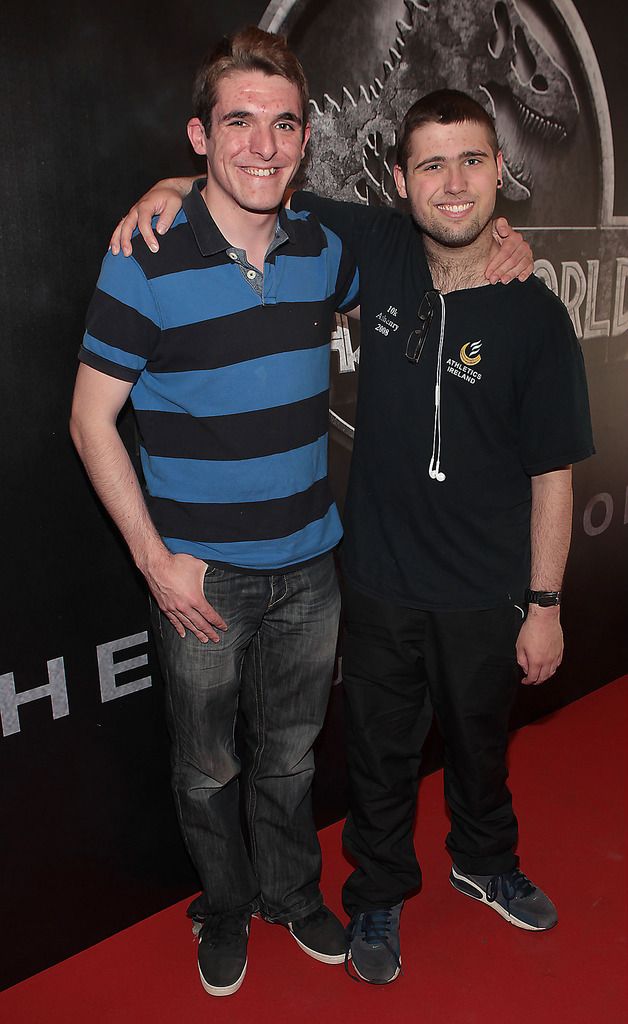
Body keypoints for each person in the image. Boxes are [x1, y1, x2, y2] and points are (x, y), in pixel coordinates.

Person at [109, 83, 552, 986]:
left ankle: (405, 876)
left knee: (383, 752)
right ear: (399, 179)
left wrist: (543, 600)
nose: (454, 184)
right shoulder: (360, 245)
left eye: (472, 162)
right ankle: (297, 903)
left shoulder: (491, 295)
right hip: (304, 578)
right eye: (432, 164)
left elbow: (556, 468)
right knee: (276, 763)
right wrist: (168, 186)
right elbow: (244, 187)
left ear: (501, 172)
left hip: (396, 573)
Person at [70, 27, 362, 999]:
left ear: (307, 135)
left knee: (289, 756)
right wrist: (157, 563)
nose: (262, 145)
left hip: (312, 569)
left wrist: (486, 239)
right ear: (200, 134)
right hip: (202, 580)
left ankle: (288, 890)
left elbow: (409, 280)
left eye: (282, 124)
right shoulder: (145, 256)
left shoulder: (325, 244)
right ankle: (226, 906)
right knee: (205, 768)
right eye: (239, 121)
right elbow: (89, 419)